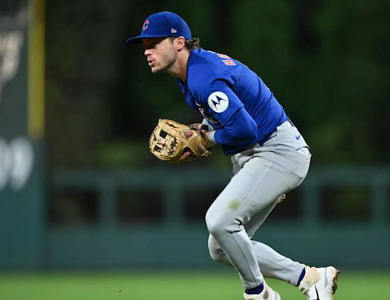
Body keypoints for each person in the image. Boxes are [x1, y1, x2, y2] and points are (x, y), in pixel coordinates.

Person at [127, 11, 339, 300]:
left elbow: (246, 130)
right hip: (260, 153)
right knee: (219, 246)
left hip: (276, 151)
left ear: (179, 43)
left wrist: (207, 138)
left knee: (218, 220)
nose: (147, 51)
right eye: (144, 45)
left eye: (154, 42)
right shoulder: (192, 72)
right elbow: (233, 119)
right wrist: (203, 128)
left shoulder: (203, 77)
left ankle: (258, 294)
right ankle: (311, 279)